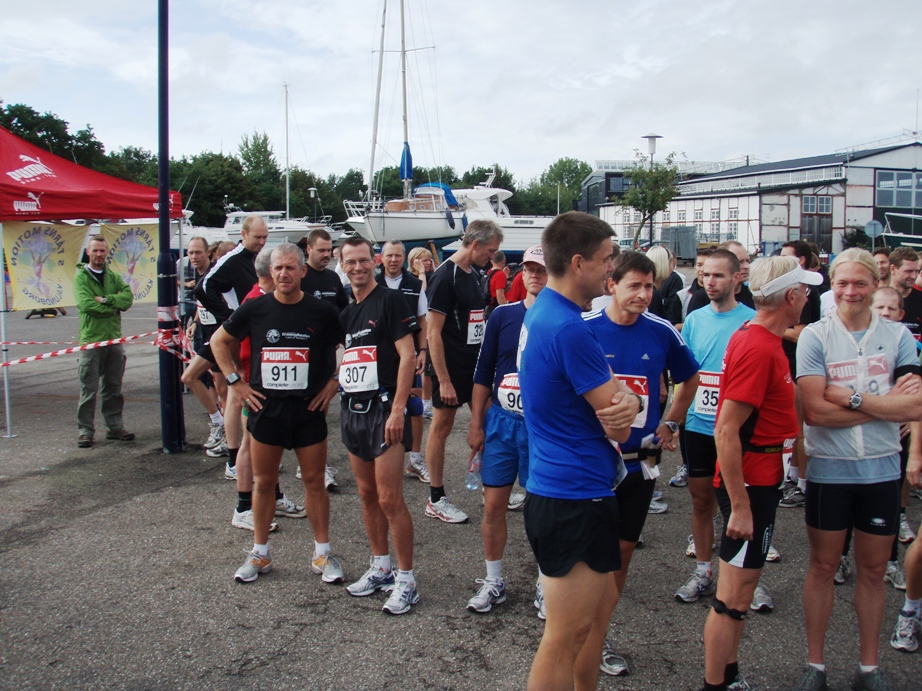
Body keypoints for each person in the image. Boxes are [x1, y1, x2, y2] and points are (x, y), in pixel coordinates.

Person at [518, 211, 639, 691]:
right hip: (573, 496)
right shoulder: (569, 328)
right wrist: (627, 400)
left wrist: (625, 401)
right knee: (565, 636)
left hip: (567, 489)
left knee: (585, 628)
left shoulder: (545, 311)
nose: (611, 270)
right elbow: (622, 422)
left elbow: (619, 407)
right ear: (578, 262)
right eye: (607, 259)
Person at [792, 248, 922, 691]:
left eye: (860, 283)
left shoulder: (899, 335)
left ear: (874, 283)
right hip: (830, 470)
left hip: (882, 472)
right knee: (823, 567)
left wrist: (851, 398)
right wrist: (889, 409)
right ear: (832, 284)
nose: (850, 291)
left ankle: (869, 668)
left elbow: (917, 405)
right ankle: (816, 666)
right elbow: (814, 412)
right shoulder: (815, 336)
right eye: (842, 283)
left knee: (871, 572)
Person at [700, 256, 820, 691]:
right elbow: (726, 430)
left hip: (763, 479)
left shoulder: (764, 340)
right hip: (752, 483)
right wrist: (742, 507)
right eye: (804, 290)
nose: (808, 297)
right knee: (731, 599)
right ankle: (716, 683)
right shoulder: (757, 346)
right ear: (790, 296)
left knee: (742, 593)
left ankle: (729, 677)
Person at [584, 251, 700, 678]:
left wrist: (672, 421)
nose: (644, 294)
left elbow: (691, 379)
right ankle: (577, 629)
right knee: (589, 555)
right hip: (594, 461)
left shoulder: (662, 331)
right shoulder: (584, 331)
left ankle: (599, 635)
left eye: (650, 286)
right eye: (634, 285)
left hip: (644, 458)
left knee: (622, 553)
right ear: (611, 285)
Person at [211, 243, 345, 585]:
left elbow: (350, 345)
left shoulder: (322, 311)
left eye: (290, 268)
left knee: (314, 481)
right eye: (278, 268)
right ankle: (260, 553)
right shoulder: (255, 308)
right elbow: (218, 342)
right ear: (270, 272)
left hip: (308, 410)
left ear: (302, 271)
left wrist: (335, 382)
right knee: (264, 482)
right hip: (266, 410)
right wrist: (235, 384)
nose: (283, 274)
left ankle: (322, 553)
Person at [336, 237, 421, 614]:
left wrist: (399, 409)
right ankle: (380, 566)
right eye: (349, 262)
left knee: (390, 498)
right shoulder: (347, 313)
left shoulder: (390, 300)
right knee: (367, 495)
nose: (357, 267)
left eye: (361, 261)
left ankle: (407, 579)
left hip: (385, 410)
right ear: (342, 265)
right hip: (353, 411)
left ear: (373, 262)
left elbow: (408, 356)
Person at [465, 245, 548, 614]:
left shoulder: (563, 317)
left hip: (541, 429)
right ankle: (494, 579)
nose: (533, 275)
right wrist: (476, 422)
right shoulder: (502, 315)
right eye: (528, 268)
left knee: (542, 509)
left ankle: (547, 584)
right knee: (493, 505)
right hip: (501, 422)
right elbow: (483, 372)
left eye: (541, 269)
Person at [674, 249, 758, 606]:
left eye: (718, 276)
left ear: (738, 277)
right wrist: (675, 420)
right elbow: (686, 376)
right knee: (701, 499)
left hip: (738, 430)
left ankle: (744, 578)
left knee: (739, 504)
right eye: (705, 275)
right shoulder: (694, 318)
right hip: (698, 425)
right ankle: (704, 571)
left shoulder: (752, 321)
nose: (710, 282)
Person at [423, 219, 503, 524]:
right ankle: (436, 497)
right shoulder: (445, 276)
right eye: (490, 250)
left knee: (492, 421)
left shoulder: (474, 273)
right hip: (450, 367)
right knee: (441, 428)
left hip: (474, 364)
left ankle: (496, 485)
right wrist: (443, 380)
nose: (492, 256)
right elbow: (433, 333)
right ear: (475, 244)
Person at [186, 215, 268, 470]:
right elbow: (203, 288)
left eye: (265, 237)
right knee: (233, 391)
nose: (262, 242)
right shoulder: (232, 259)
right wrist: (229, 318)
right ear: (243, 235)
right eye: (257, 238)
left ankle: (241, 454)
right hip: (232, 335)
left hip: (242, 332)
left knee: (231, 391)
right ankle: (237, 458)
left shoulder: (254, 259)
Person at [74, 235, 135, 448]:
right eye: (95, 250)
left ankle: (115, 427)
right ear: (88, 253)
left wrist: (107, 300)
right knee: (88, 388)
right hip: (92, 341)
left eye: (102, 250)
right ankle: (86, 431)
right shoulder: (81, 277)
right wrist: (113, 308)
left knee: (113, 387)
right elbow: (87, 305)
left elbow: (127, 298)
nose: (99, 254)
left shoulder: (112, 276)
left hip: (114, 340)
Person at [377, 240, 430, 482]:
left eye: (398, 256)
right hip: (379, 355)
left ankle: (416, 460)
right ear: (381, 257)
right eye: (389, 256)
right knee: (379, 405)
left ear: (404, 258)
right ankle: (380, 455)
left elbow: (422, 320)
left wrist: (423, 351)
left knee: (415, 406)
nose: (394, 260)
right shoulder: (373, 281)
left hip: (408, 354)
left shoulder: (414, 284)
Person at [777, 241, 823, 510]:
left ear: (802, 260)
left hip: (797, 364)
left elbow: (800, 332)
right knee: (790, 426)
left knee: (799, 426)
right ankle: (793, 474)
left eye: (787, 257)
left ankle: (804, 482)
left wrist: (768, 325)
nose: (781, 260)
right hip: (786, 360)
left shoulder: (807, 292)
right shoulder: (788, 288)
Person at [686, 241, 754, 315]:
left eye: (748, 261)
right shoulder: (701, 299)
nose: (747, 266)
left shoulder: (752, 296)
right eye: (740, 262)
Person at [889, 246, 922, 340]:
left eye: (917, 271)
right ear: (893, 269)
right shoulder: (876, 298)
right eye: (909, 271)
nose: (914, 276)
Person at [486, 249, 508, 314]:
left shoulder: (488, 272)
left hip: (487, 308)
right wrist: (506, 311)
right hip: (495, 309)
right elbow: (500, 296)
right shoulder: (500, 274)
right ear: (504, 260)